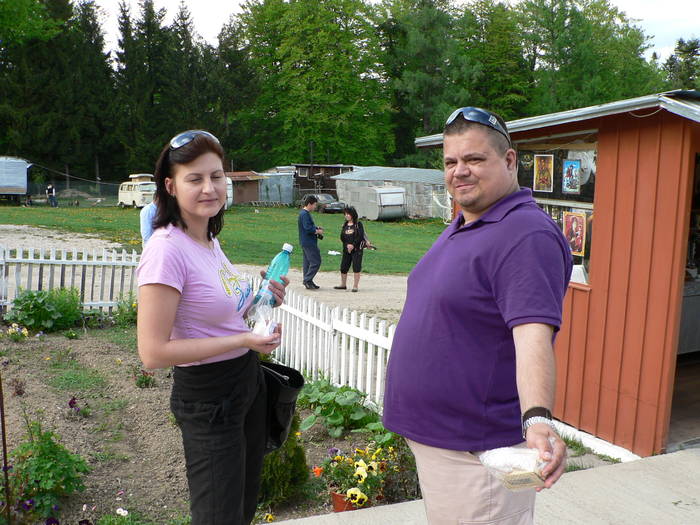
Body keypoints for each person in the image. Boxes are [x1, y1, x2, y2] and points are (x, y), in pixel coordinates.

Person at [383, 107, 572, 525]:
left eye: (474, 159)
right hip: (447, 446)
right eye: (451, 162)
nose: (459, 171)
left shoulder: (525, 234)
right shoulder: (468, 222)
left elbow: (532, 336)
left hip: (481, 457)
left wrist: (538, 420)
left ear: (508, 161)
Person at [136, 130, 288, 525]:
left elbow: (218, 316)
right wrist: (244, 339)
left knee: (241, 507)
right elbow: (152, 353)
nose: (210, 188)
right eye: (195, 178)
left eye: (217, 176)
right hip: (208, 400)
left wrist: (261, 299)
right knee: (218, 516)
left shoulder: (207, 240)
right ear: (170, 186)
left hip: (244, 385)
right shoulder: (165, 250)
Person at [333, 205, 371, 292]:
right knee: (343, 267)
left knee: (356, 267)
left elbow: (360, 236)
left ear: (352, 215)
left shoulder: (358, 224)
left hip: (357, 249)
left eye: (348, 214)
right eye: (345, 214)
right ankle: (343, 284)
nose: (346, 215)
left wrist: (353, 245)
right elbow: (342, 237)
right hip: (346, 249)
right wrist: (347, 245)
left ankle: (355, 286)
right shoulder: (345, 225)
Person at [298, 194, 324, 289]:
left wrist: (316, 227)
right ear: (309, 204)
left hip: (305, 241)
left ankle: (308, 281)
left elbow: (308, 226)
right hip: (309, 242)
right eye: (314, 205)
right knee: (316, 261)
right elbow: (307, 228)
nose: (315, 207)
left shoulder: (303, 213)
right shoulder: (305, 214)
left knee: (307, 263)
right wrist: (317, 231)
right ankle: (307, 280)